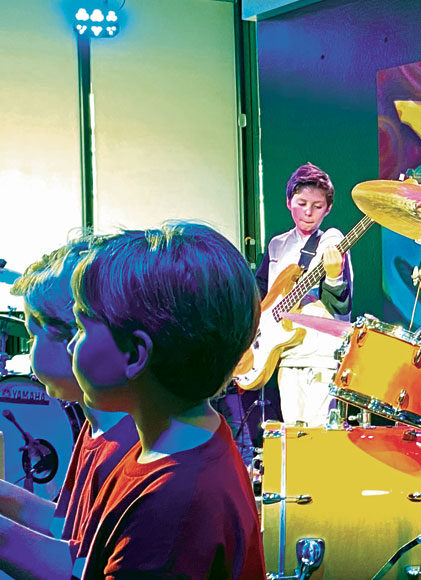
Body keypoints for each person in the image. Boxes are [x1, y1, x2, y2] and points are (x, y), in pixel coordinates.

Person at [68, 222, 266, 578]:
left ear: (134, 355)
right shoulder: (181, 438)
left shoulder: (170, 509)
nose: (71, 344)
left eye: (82, 327)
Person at [0, 239, 139, 580]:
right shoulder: (98, 427)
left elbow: (77, 570)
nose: (31, 350)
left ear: (74, 338)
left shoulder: (128, 442)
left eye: (34, 336)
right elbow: (68, 529)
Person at [255, 162, 353, 427]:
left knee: (318, 437)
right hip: (286, 354)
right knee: (292, 436)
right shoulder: (277, 245)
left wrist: (333, 275)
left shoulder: (331, 241)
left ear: (328, 208)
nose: (308, 212)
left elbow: (340, 309)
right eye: (301, 203)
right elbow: (261, 296)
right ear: (288, 202)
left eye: (317, 206)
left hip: (321, 357)